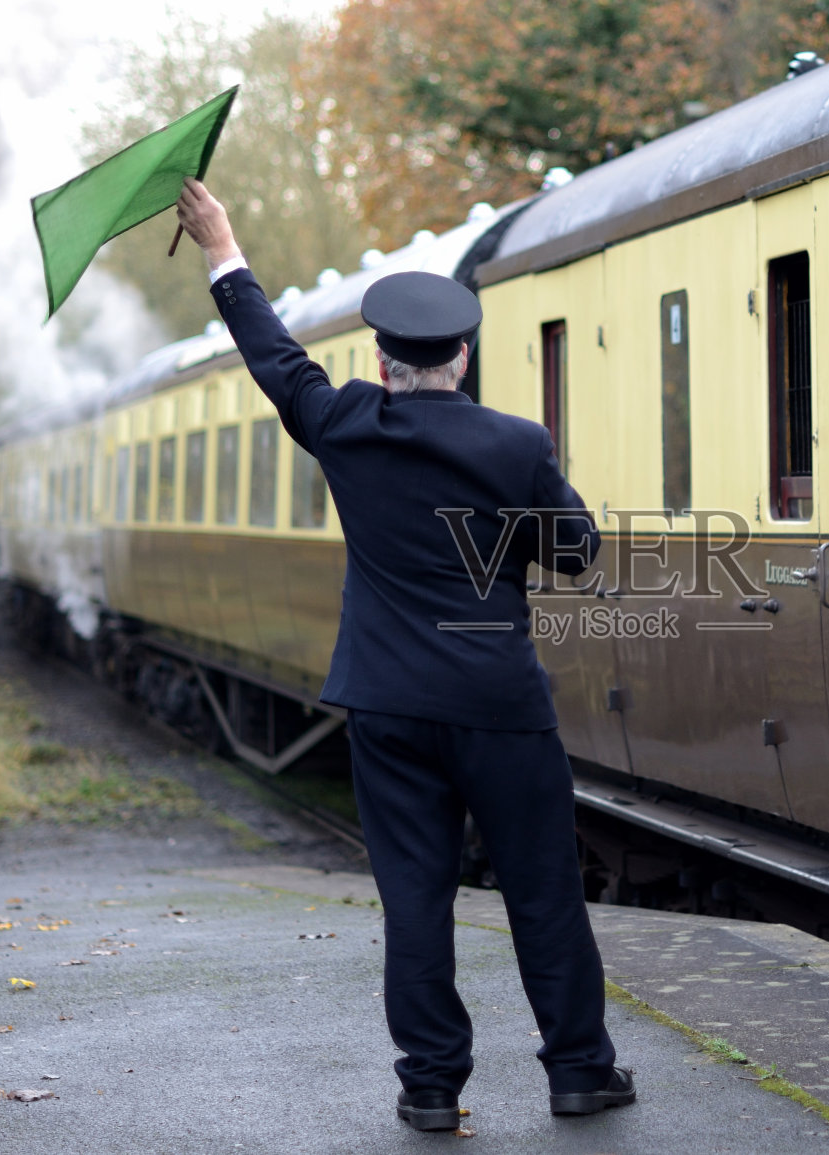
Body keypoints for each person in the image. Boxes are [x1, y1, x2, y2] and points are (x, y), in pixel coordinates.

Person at [175, 178, 634, 1130]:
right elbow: (580, 553)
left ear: (383, 363)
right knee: (543, 888)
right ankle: (580, 1071)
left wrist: (224, 245)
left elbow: (273, 355)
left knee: (415, 899)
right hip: (501, 705)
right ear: (461, 357)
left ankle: (430, 1086)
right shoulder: (518, 443)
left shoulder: (346, 423)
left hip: (387, 706)